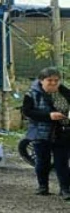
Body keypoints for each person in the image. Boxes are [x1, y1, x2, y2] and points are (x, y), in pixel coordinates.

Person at [23, 67, 70, 198]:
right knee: (42, 161)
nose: (54, 83)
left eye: (56, 80)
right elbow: (27, 112)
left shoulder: (65, 92)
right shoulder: (31, 94)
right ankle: (43, 186)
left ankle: (65, 189)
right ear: (41, 81)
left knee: (62, 162)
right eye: (50, 81)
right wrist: (48, 115)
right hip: (41, 132)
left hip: (63, 132)